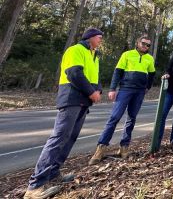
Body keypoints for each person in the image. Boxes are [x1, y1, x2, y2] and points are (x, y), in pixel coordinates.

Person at [24, 27, 103, 199]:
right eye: (99, 37)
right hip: (71, 99)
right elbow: (74, 73)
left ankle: (53, 173)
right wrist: (91, 92)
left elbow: (94, 78)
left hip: (84, 101)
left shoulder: (94, 56)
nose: (101, 40)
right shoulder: (75, 50)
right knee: (59, 138)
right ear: (89, 38)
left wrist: (99, 90)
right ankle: (35, 186)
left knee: (70, 138)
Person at [89, 35, 155, 165]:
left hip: (139, 92)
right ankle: (101, 148)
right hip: (125, 89)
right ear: (137, 42)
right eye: (144, 43)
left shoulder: (149, 58)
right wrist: (113, 88)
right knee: (114, 117)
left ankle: (124, 147)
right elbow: (117, 72)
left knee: (131, 118)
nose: (145, 46)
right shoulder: (127, 54)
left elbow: (152, 74)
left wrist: (147, 87)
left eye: (148, 45)